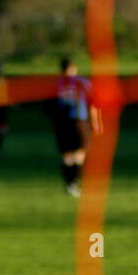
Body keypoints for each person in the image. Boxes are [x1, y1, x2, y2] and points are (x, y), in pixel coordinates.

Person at [51, 56, 102, 196]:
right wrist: (96, 122)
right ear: (73, 68)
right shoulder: (82, 83)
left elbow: (49, 107)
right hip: (80, 121)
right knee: (79, 152)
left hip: (62, 122)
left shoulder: (57, 84)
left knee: (67, 153)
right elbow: (93, 103)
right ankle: (74, 182)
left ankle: (70, 183)